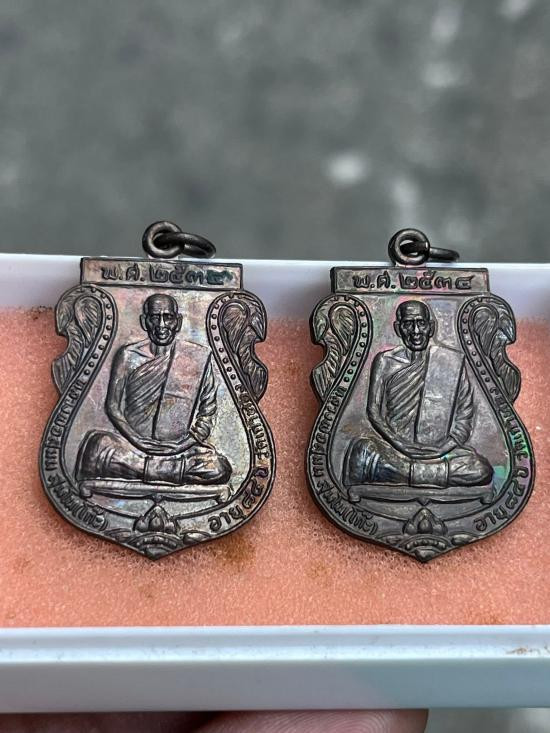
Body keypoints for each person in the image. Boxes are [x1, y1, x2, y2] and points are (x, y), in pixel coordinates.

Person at [77, 293, 231, 486]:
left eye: (168, 318)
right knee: (96, 447)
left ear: (178, 322)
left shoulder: (197, 356)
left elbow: (208, 412)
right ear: (144, 321)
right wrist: (137, 440)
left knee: (218, 467)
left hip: (179, 449)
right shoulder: (128, 355)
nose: (161, 325)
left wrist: (182, 445)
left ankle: (144, 469)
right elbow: (113, 406)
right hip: (131, 445)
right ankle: (168, 471)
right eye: (154, 318)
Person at [345, 300, 492, 489]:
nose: (415, 331)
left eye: (421, 323)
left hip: (440, 452)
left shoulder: (450, 362)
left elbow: (465, 416)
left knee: (481, 469)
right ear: (398, 328)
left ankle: (402, 473)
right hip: (394, 448)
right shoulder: (385, 361)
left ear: (431, 327)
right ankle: (426, 474)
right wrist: (401, 445)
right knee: (360, 452)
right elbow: (373, 411)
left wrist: (442, 448)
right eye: (408, 324)